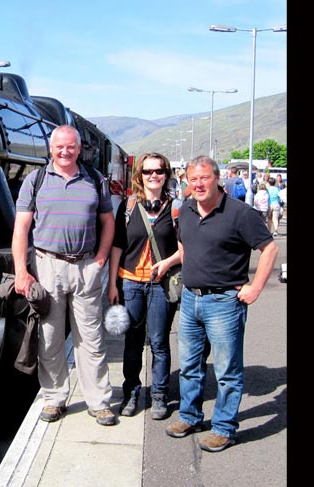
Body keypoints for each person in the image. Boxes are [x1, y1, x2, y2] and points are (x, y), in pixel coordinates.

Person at [165, 155, 279, 453]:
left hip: (225, 303)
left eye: (204, 178)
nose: (199, 184)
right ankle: (190, 416)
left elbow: (269, 248)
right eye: (193, 179)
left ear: (217, 179)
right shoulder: (187, 209)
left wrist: (255, 288)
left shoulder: (241, 214)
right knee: (190, 365)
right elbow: (184, 244)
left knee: (227, 372)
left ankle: (225, 429)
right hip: (191, 299)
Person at [12, 124, 117, 426]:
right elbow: (21, 229)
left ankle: (98, 401)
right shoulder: (36, 180)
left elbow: (108, 223)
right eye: (60, 146)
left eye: (71, 146)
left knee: (91, 338)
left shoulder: (95, 180)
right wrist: (22, 272)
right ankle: (54, 398)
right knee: (49, 337)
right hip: (48, 265)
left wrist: (100, 259)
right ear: (51, 148)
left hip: (86, 265)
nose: (65, 151)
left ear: (79, 148)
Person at [107, 152, 180, 421]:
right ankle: (132, 392)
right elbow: (117, 246)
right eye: (147, 172)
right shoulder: (127, 207)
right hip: (131, 284)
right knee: (133, 341)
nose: (153, 176)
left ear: (166, 174)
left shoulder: (176, 208)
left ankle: (159, 395)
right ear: (140, 176)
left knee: (159, 342)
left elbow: (185, 249)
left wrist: (168, 262)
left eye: (158, 171)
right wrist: (112, 284)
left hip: (161, 285)